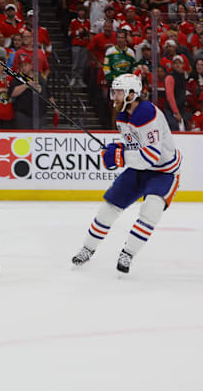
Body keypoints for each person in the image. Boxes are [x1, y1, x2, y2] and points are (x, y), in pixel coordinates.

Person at [71, 74, 182, 274]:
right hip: (139, 169)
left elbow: (151, 156)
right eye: (115, 91)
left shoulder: (147, 113)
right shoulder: (123, 115)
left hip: (164, 172)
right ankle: (87, 248)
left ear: (133, 94)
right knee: (108, 208)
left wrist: (120, 156)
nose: (115, 95)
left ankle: (128, 253)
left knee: (151, 210)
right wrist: (117, 148)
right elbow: (136, 145)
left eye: (120, 92)